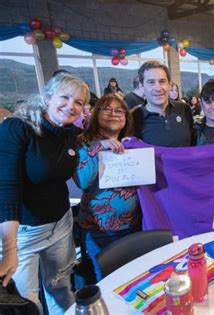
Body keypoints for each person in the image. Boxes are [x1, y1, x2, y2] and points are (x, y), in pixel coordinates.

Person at [0, 73, 90, 313]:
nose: (71, 105)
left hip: (61, 225)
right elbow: (6, 186)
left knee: (61, 289)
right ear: (48, 97)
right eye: (65, 97)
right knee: (25, 301)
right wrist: (8, 250)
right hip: (23, 234)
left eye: (79, 102)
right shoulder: (18, 127)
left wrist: (105, 144)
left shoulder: (69, 133)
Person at [74, 95, 140, 281]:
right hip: (100, 230)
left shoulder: (131, 143)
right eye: (106, 109)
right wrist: (101, 147)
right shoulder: (84, 142)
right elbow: (82, 180)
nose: (114, 114)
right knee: (109, 279)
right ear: (97, 113)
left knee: (133, 277)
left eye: (119, 110)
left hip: (133, 226)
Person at [132, 60, 194, 147]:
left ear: (169, 85)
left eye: (162, 81)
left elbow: (193, 145)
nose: (158, 88)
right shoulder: (134, 117)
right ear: (142, 87)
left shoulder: (184, 109)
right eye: (151, 82)